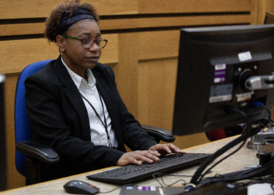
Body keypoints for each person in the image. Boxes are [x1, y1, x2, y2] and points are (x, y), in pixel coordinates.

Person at [25, 0, 183, 181]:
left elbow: (124, 121)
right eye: (85, 41)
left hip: (119, 165)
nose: (96, 48)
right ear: (61, 42)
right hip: (76, 172)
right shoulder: (42, 83)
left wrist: (148, 146)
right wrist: (116, 157)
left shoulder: (103, 73)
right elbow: (60, 142)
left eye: (98, 40)